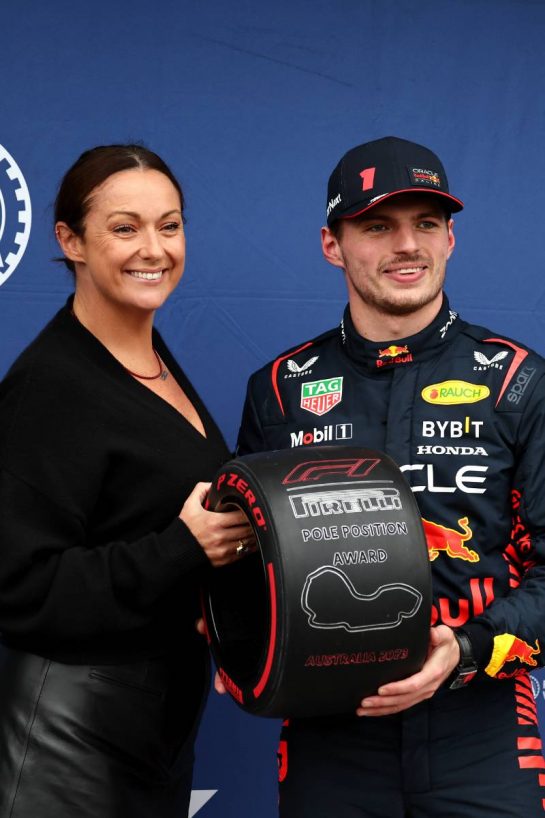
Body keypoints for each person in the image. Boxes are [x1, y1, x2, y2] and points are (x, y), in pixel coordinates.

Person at [236, 136, 545, 816]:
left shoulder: (519, 383)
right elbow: (242, 570)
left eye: (425, 223)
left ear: (450, 239)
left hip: (483, 731)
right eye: (377, 226)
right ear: (332, 244)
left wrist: (464, 649)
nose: (407, 245)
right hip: (330, 734)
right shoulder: (281, 390)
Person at [0, 144, 253, 818]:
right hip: (68, 737)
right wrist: (182, 548)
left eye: (169, 226)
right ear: (70, 241)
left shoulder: (149, 357)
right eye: (124, 227)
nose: (154, 249)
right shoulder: (49, 387)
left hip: (153, 731)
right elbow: (20, 589)